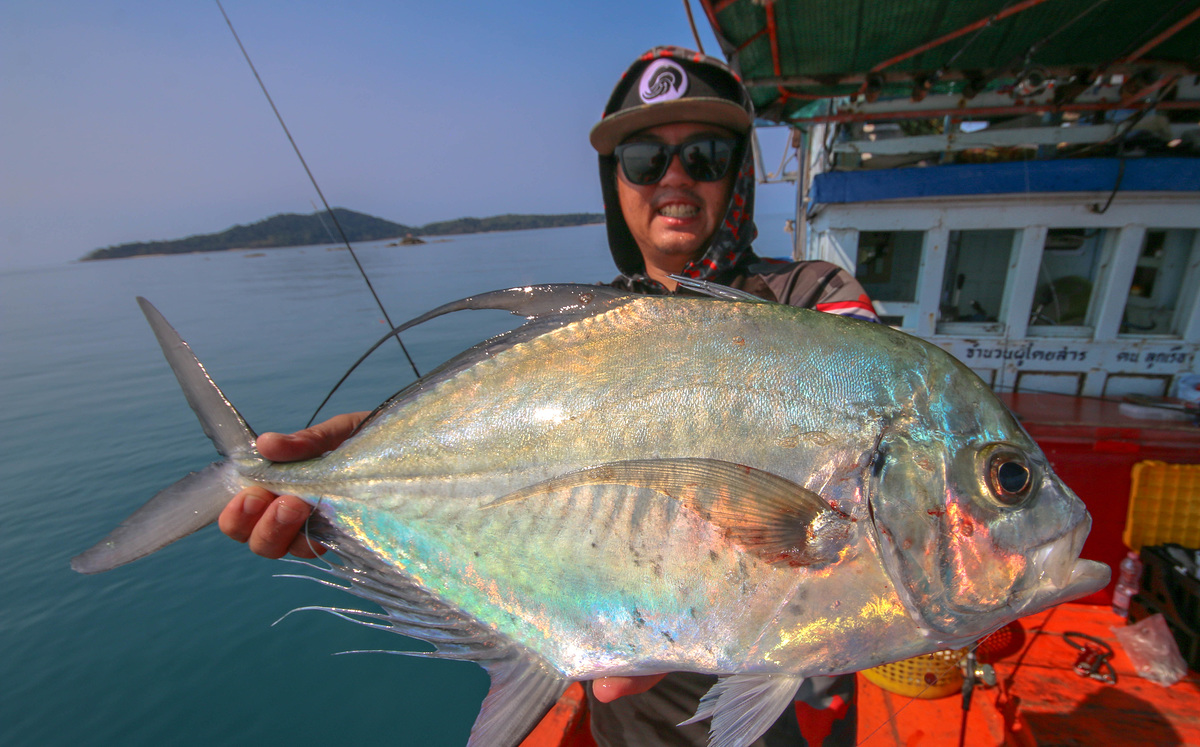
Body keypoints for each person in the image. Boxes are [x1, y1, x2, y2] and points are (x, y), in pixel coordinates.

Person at [219, 46, 877, 747]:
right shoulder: (582, 340)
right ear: (614, 182)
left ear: (738, 174)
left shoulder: (811, 304)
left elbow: (876, 408)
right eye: (644, 159)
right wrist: (360, 476)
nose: (674, 178)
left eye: (707, 154)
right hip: (627, 717)